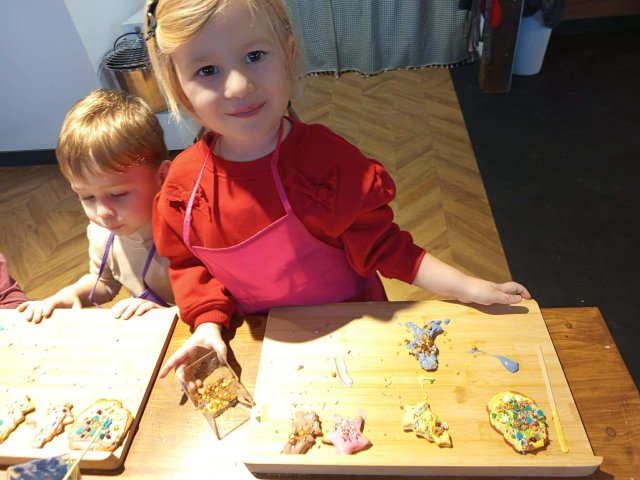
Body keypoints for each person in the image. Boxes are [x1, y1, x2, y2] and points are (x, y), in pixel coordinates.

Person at [145, 0, 530, 376]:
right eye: (208, 70)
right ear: (179, 88)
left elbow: (387, 247)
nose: (238, 85)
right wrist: (207, 322)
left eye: (255, 56)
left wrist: (467, 288)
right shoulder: (182, 188)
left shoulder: (327, 163)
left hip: (356, 336)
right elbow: (189, 265)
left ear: (288, 54)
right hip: (266, 347)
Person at [17, 89, 174, 323]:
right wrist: (72, 294)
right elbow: (104, 282)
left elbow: (222, 298)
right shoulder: (102, 232)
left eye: (118, 194)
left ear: (162, 177)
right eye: (87, 197)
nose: (102, 212)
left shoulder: (190, 230)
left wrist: (168, 313)